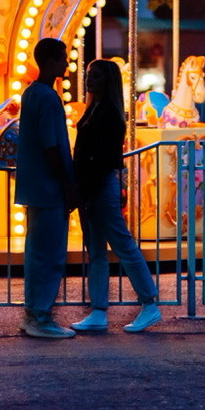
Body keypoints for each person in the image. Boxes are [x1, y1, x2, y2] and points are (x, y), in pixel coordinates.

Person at [70, 58, 162, 333]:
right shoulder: (94, 108)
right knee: (96, 249)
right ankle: (98, 309)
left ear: (108, 81)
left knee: (122, 244)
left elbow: (103, 156)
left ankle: (149, 302)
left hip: (99, 183)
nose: (90, 80)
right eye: (88, 75)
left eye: (95, 76)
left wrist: (86, 185)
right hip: (91, 183)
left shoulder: (108, 113)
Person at [14, 37, 81, 339]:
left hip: (34, 186)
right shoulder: (49, 97)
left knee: (36, 251)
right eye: (63, 58)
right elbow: (52, 144)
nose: (66, 63)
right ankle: (42, 315)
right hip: (49, 186)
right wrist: (67, 183)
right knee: (52, 253)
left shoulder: (30, 93)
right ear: (52, 61)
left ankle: (33, 312)